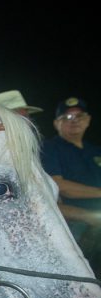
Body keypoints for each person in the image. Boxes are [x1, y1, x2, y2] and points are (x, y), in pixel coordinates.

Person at [40, 97, 99, 241]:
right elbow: (60, 186)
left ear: (88, 120)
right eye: (66, 117)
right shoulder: (49, 148)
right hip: (76, 221)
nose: (74, 120)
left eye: (79, 116)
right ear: (56, 123)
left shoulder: (96, 150)